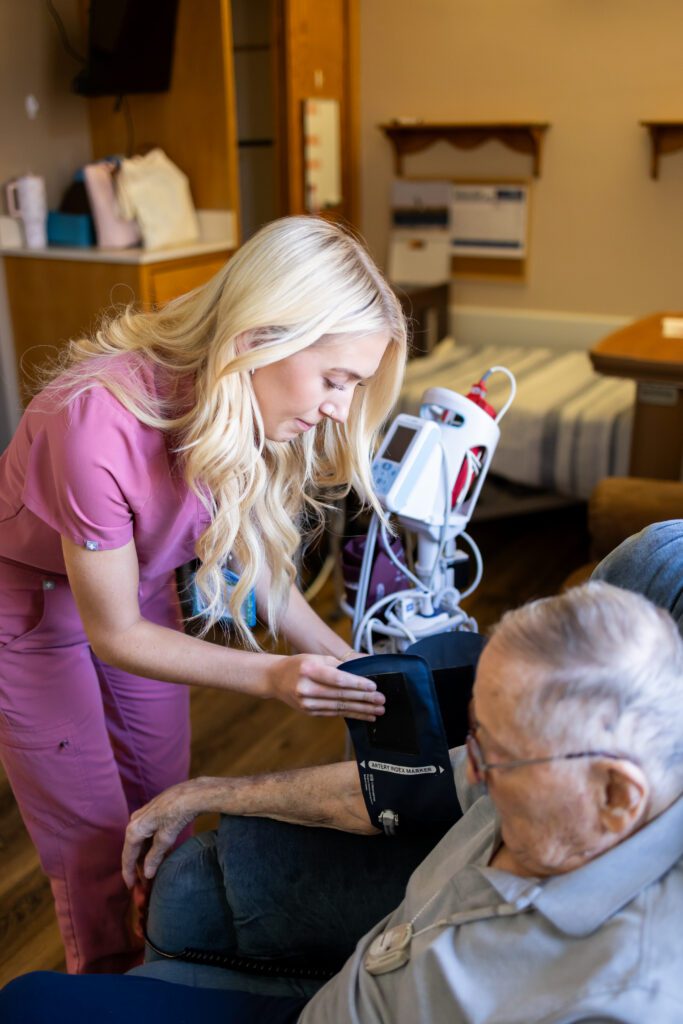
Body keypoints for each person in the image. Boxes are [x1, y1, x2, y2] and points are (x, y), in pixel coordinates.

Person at [2, 522, 682, 1022]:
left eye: (489, 758)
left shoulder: (623, 993)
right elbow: (414, 783)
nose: (468, 768)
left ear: (618, 795)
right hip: (341, 998)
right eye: (471, 738)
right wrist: (209, 792)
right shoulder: (557, 776)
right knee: (30, 1001)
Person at [0, 215, 408, 973]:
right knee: (93, 840)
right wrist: (274, 677)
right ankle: (113, 987)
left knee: (166, 804)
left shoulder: (243, 405)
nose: (337, 409)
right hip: (25, 605)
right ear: (260, 339)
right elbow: (114, 633)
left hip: (139, 592)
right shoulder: (93, 422)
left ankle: (171, 963)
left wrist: (344, 660)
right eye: (335, 380)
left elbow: (259, 565)